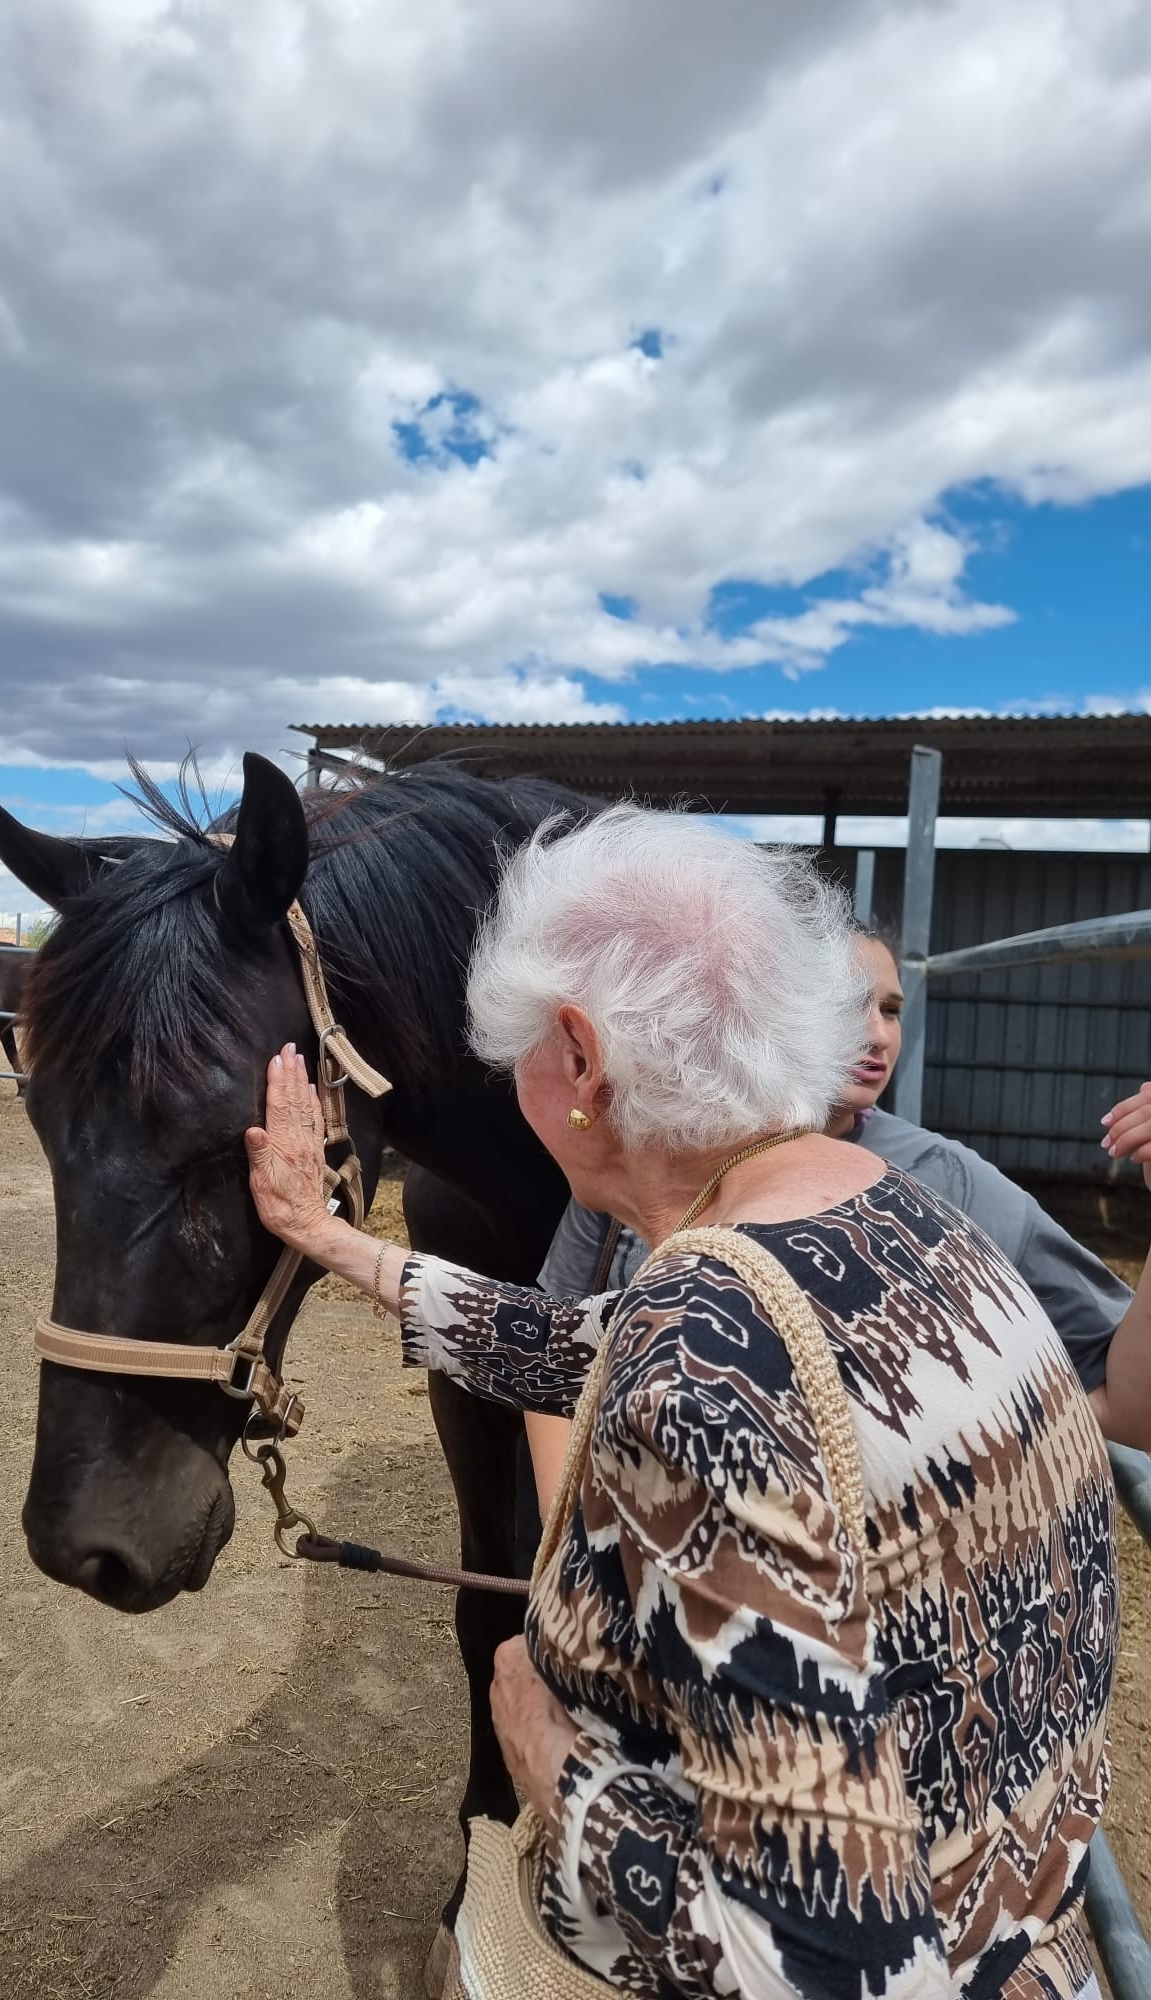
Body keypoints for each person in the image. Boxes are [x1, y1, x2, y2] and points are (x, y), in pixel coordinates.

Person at [245, 808, 1116, 2000]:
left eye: (520, 1063)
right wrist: (332, 1239)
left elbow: (821, 1966)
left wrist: (559, 1771)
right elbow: (576, 1342)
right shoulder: (894, 1224)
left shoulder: (702, 1360)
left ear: (582, 1057)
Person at [526, 926, 1144, 1513]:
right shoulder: (643, 1150)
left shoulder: (948, 1182)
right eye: (848, 1002)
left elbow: (1131, 1407)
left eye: (892, 1009)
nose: (877, 1034)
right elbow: (558, 1354)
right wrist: (569, 1552)